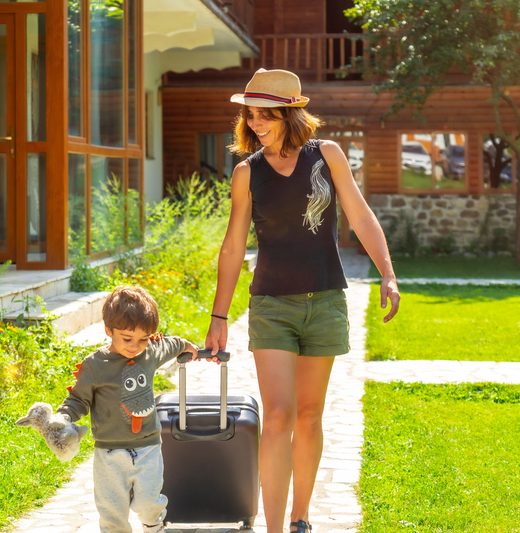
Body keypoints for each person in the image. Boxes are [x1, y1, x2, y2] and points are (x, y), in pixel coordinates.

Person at [205, 68, 401, 533]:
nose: (255, 123)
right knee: (278, 416)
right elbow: (232, 247)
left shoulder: (327, 155)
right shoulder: (247, 173)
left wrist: (388, 274)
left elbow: (359, 214)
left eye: (265, 115)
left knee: (310, 416)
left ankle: (300, 518)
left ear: (290, 114)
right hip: (272, 306)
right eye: (250, 115)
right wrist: (219, 316)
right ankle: (274, 528)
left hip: (326, 301)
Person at [57, 285, 202, 533]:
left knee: (149, 503)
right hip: (109, 453)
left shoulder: (150, 352)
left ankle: (153, 524)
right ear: (108, 330)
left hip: (148, 446)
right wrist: (64, 417)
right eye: (127, 338)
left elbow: (169, 345)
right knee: (111, 511)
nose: (135, 346)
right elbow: (78, 399)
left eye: (143, 339)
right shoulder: (95, 365)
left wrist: (185, 345)